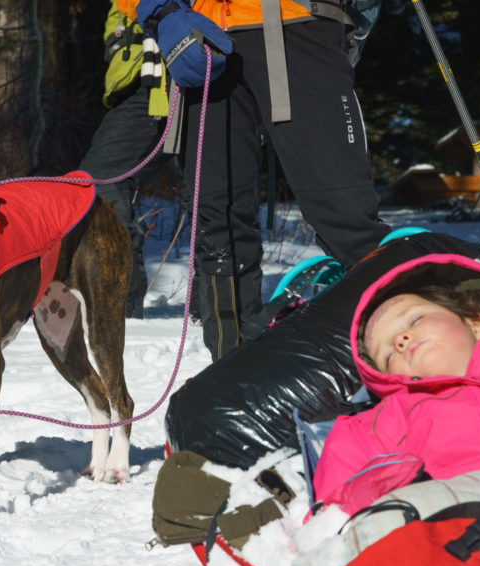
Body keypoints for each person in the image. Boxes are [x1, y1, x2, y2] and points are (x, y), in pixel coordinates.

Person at [123, 0, 391, 360]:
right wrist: (163, 12)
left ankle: (422, 354)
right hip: (203, 36)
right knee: (218, 225)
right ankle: (233, 370)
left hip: (300, 22)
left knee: (346, 215)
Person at [311, 252, 480, 509]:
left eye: (416, 319)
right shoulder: (381, 421)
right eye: (386, 356)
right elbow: (334, 511)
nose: (401, 340)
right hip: (449, 530)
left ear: (476, 323)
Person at [79, 3, 178, 319]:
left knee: (214, 198)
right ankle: (119, 307)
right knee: (97, 184)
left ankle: (221, 314)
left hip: (186, 76)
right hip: (148, 85)